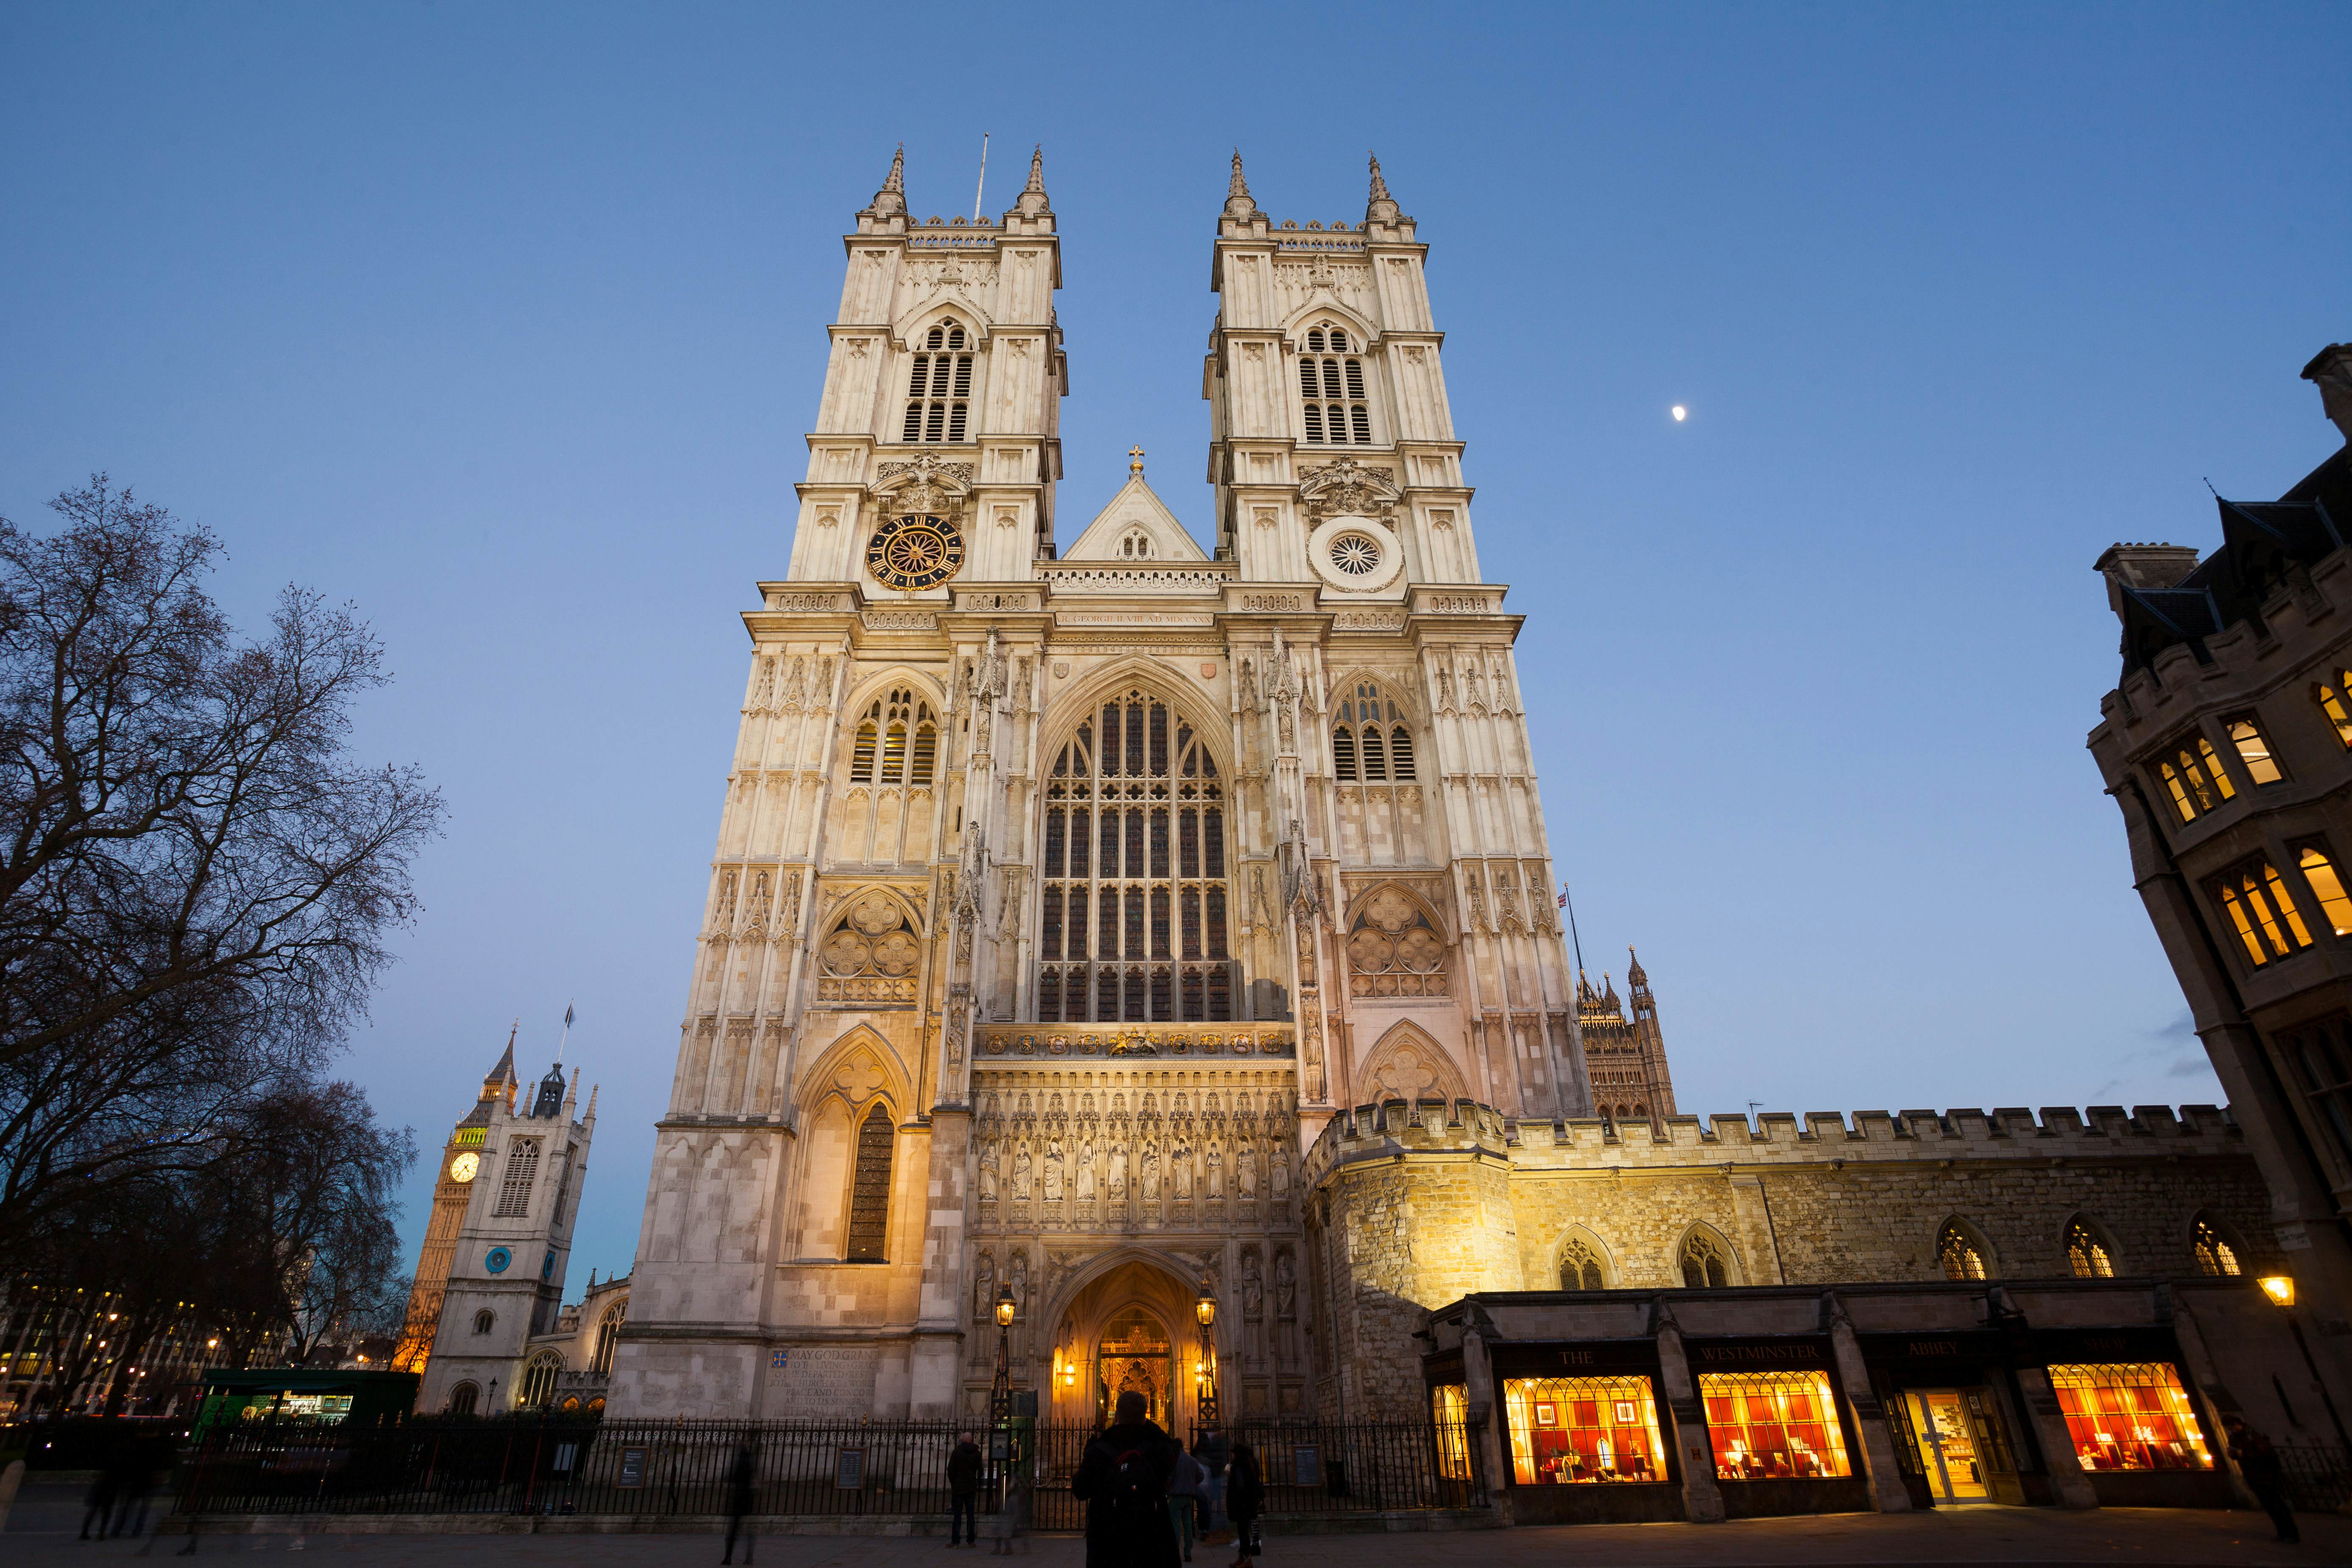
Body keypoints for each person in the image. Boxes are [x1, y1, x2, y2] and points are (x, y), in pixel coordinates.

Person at [1071, 1391, 1181, 1568]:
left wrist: (1093, 1447)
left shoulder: (1098, 1452)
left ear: (1117, 1416)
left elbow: (1079, 1489)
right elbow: (1175, 1448)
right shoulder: (1159, 1451)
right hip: (1150, 1543)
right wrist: (1149, 1426)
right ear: (1144, 1417)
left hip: (1108, 1545)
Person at [2223, 1415, 2298, 1544]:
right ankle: (2281, 1532)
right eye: (2230, 1428)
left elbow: (2266, 1454)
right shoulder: (2234, 1438)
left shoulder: (2252, 1435)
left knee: (2277, 1504)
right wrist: (2233, 1453)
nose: (2233, 1430)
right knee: (2269, 1507)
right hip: (2252, 1475)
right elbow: (2235, 1454)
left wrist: (2245, 1454)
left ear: (2238, 1424)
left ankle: (2291, 1533)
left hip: (2266, 1474)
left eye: (2234, 1427)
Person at [1223, 1443, 1264, 1568]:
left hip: (1242, 1504)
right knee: (1244, 1530)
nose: (1231, 1456)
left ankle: (1247, 1560)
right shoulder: (1252, 1463)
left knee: (1243, 1532)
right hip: (1251, 1501)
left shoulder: (1238, 1467)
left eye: (1233, 1454)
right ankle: (1242, 1557)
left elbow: (1240, 1486)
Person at [1166, 1439, 1206, 1563]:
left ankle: (1175, 1552)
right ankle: (1188, 1553)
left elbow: (1169, 1478)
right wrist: (1193, 1484)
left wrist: (1168, 1487)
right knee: (1188, 1525)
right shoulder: (1192, 1461)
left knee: (1176, 1525)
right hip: (1189, 1497)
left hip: (1176, 1497)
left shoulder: (1174, 1461)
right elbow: (1201, 1475)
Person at [721, 1438, 758, 1565]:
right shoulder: (751, 1461)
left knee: (733, 1531)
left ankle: (728, 1556)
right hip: (747, 1499)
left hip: (737, 1498)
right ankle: (749, 1557)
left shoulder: (738, 1461)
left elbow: (731, 1477)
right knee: (748, 1531)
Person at [1192, 1427, 1230, 1542]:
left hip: (1205, 1482)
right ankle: (1211, 1531)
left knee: (1208, 1508)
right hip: (1211, 1479)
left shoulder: (1200, 1451)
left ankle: (1208, 1531)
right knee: (1213, 1507)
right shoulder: (1213, 1446)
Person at [948, 1430, 984, 1548]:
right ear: (971, 1441)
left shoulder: (957, 1452)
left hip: (959, 1488)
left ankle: (956, 1541)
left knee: (957, 1515)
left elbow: (950, 1470)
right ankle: (971, 1541)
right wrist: (977, 1483)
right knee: (971, 1515)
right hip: (970, 1487)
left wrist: (954, 1483)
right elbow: (981, 1471)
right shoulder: (977, 1453)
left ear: (963, 1440)